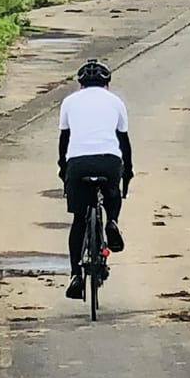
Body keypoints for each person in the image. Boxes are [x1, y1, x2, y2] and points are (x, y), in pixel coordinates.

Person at [58, 58, 133, 300]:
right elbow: (124, 143)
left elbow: (64, 142)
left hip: (77, 163)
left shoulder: (69, 102)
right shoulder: (116, 102)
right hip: (109, 160)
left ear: (80, 85)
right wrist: (127, 173)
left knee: (79, 219)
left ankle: (75, 275)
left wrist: (63, 170)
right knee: (112, 193)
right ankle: (112, 221)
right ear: (107, 85)